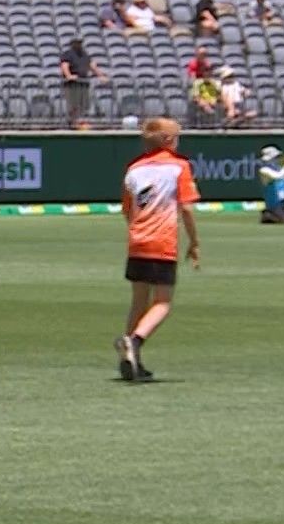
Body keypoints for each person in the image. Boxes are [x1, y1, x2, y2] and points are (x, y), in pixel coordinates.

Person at [115, 117, 200, 382]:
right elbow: (187, 208)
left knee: (138, 302)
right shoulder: (179, 166)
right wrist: (194, 242)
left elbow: (127, 209)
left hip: (137, 242)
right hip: (162, 242)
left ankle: (131, 359)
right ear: (169, 140)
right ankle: (135, 341)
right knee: (162, 302)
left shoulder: (134, 168)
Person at [58, 37, 105, 128]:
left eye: (80, 43)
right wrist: (69, 76)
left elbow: (92, 66)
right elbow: (64, 65)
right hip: (73, 85)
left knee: (83, 104)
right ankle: (73, 123)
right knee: (73, 104)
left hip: (84, 84)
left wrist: (100, 75)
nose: (79, 45)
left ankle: (80, 122)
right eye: (77, 43)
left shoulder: (84, 54)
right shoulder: (68, 54)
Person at [257, 144, 284, 224]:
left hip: (282, 203)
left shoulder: (277, 167)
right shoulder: (264, 169)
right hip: (274, 205)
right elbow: (278, 175)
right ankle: (269, 214)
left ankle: (273, 215)